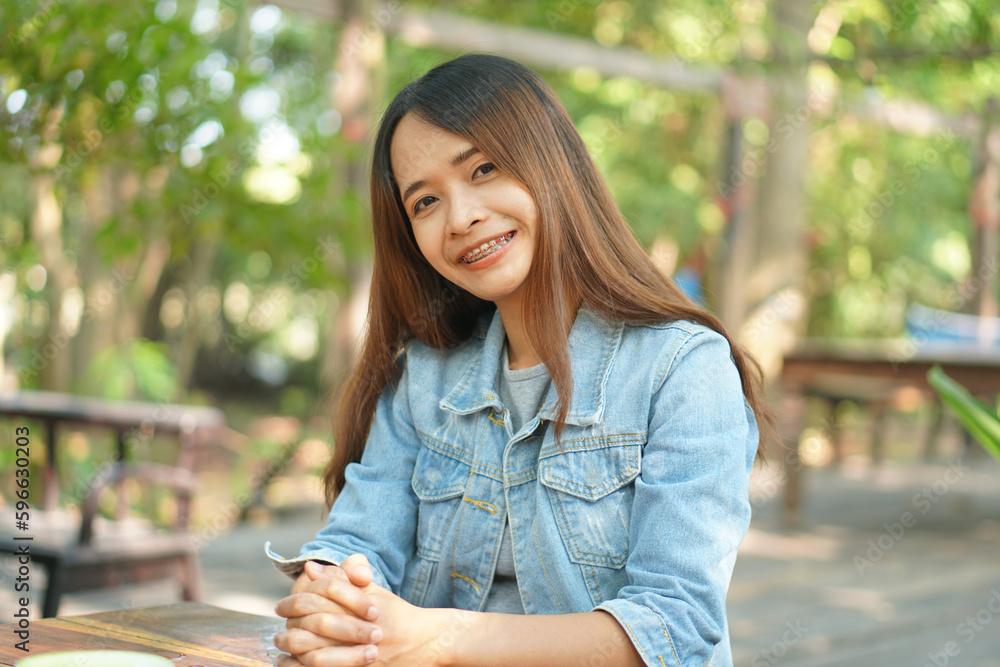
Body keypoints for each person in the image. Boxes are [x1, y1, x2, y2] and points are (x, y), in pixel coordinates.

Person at [265, 53, 773, 667]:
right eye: (425, 202)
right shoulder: (424, 376)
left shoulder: (684, 370)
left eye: (483, 169)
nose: (462, 217)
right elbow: (357, 543)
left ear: (551, 164)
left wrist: (440, 639)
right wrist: (328, 597)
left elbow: (674, 625)